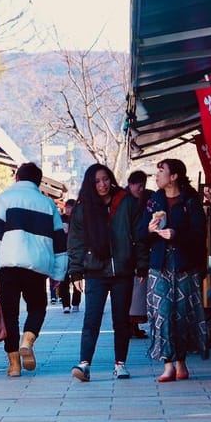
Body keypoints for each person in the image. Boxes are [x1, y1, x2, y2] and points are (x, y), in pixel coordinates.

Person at [0, 163, 67, 377]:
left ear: (17, 178)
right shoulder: (48, 204)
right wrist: (58, 273)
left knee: (9, 314)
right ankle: (28, 340)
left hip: (9, 265)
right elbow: (60, 242)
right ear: (38, 181)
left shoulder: (3, 199)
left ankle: (13, 365)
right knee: (38, 306)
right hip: (37, 266)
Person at [67, 164, 147, 382]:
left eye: (105, 179)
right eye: (97, 181)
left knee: (121, 320)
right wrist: (75, 272)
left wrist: (142, 264)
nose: (102, 185)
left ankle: (120, 363)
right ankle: (84, 364)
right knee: (91, 318)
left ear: (111, 179)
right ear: (90, 184)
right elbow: (75, 242)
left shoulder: (127, 202)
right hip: (95, 271)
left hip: (123, 270)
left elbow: (139, 236)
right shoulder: (83, 209)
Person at [144, 158, 208, 382]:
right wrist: (150, 230)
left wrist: (176, 234)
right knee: (161, 314)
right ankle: (168, 365)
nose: (157, 175)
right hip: (159, 265)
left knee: (182, 314)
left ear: (174, 177)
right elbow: (140, 234)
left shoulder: (190, 201)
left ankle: (182, 362)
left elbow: (200, 235)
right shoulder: (154, 200)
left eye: (161, 171)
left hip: (184, 265)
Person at [126, 170, 153, 339]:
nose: (141, 188)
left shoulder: (148, 198)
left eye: (143, 185)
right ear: (130, 184)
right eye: (138, 185)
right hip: (128, 251)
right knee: (130, 293)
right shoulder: (123, 200)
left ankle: (133, 325)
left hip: (141, 249)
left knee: (137, 293)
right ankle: (129, 326)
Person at [57, 198, 81, 313]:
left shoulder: (78, 220)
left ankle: (76, 303)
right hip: (63, 252)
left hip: (75, 252)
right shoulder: (60, 219)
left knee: (77, 277)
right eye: (66, 207)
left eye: (69, 207)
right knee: (64, 279)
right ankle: (65, 304)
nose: (67, 210)